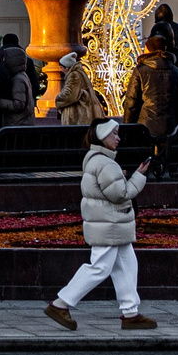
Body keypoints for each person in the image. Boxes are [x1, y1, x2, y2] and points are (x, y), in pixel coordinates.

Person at [44, 119, 156, 331]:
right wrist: (139, 177)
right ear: (102, 135)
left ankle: (130, 312)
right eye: (114, 133)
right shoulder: (105, 163)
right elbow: (121, 194)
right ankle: (61, 303)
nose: (118, 138)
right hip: (109, 224)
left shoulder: (96, 160)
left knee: (127, 264)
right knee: (100, 267)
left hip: (110, 223)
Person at [50, 53, 108, 127]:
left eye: (62, 67)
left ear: (67, 68)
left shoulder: (73, 75)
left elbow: (70, 95)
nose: (61, 70)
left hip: (78, 114)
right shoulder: (79, 73)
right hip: (85, 112)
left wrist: (58, 99)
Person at [0, 35, 41, 124]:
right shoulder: (25, 60)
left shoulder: (3, 59)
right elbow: (35, 84)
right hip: (25, 113)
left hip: (14, 117)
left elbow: (18, 104)